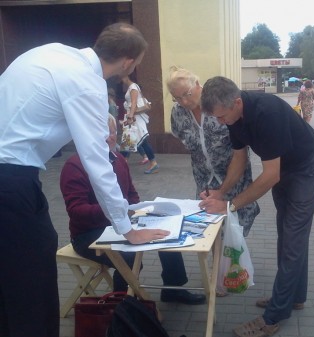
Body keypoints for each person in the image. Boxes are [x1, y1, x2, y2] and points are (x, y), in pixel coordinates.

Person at [0, 23, 170, 337]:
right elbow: (97, 163)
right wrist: (127, 229)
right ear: (127, 62)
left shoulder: (50, 52)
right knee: (32, 286)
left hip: (11, 174)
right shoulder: (86, 82)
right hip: (11, 181)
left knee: (7, 282)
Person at [199, 76, 314, 337]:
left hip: (305, 167)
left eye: (222, 117)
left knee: (293, 238)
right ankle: (293, 296)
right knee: (288, 235)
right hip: (283, 168)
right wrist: (220, 192)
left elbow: (270, 176)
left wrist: (230, 206)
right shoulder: (234, 116)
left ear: (236, 102)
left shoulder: (266, 112)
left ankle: (274, 316)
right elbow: (239, 158)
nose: (221, 123)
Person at [60, 114, 206, 303]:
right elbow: (76, 212)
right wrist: (114, 211)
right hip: (88, 234)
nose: (107, 138)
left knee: (166, 232)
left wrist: (134, 209)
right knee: (128, 257)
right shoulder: (74, 166)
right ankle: (122, 307)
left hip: (123, 222)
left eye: (110, 132)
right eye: (99, 134)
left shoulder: (118, 159)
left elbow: (132, 194)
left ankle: (173, 289)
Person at [166, 66, 260, 237]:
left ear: (197, 84)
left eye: (186, 94)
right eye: (177, 98)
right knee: (208, 232)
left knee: (235, 233)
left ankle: (230, 263)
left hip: (233, 178)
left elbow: (241, 149)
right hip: (205, 182)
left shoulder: (217, 105)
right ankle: (216, 263)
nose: (184, 102)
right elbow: (184, 139)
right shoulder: (178, 113)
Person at [122, 75, 159, 174]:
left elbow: (134, 103)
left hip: (135, 118)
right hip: (133, 118)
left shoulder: (133, 87)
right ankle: (123, 163)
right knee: (128, 140)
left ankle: (153, 163)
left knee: (139, 141)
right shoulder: (131, 87)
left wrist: (130, 116)